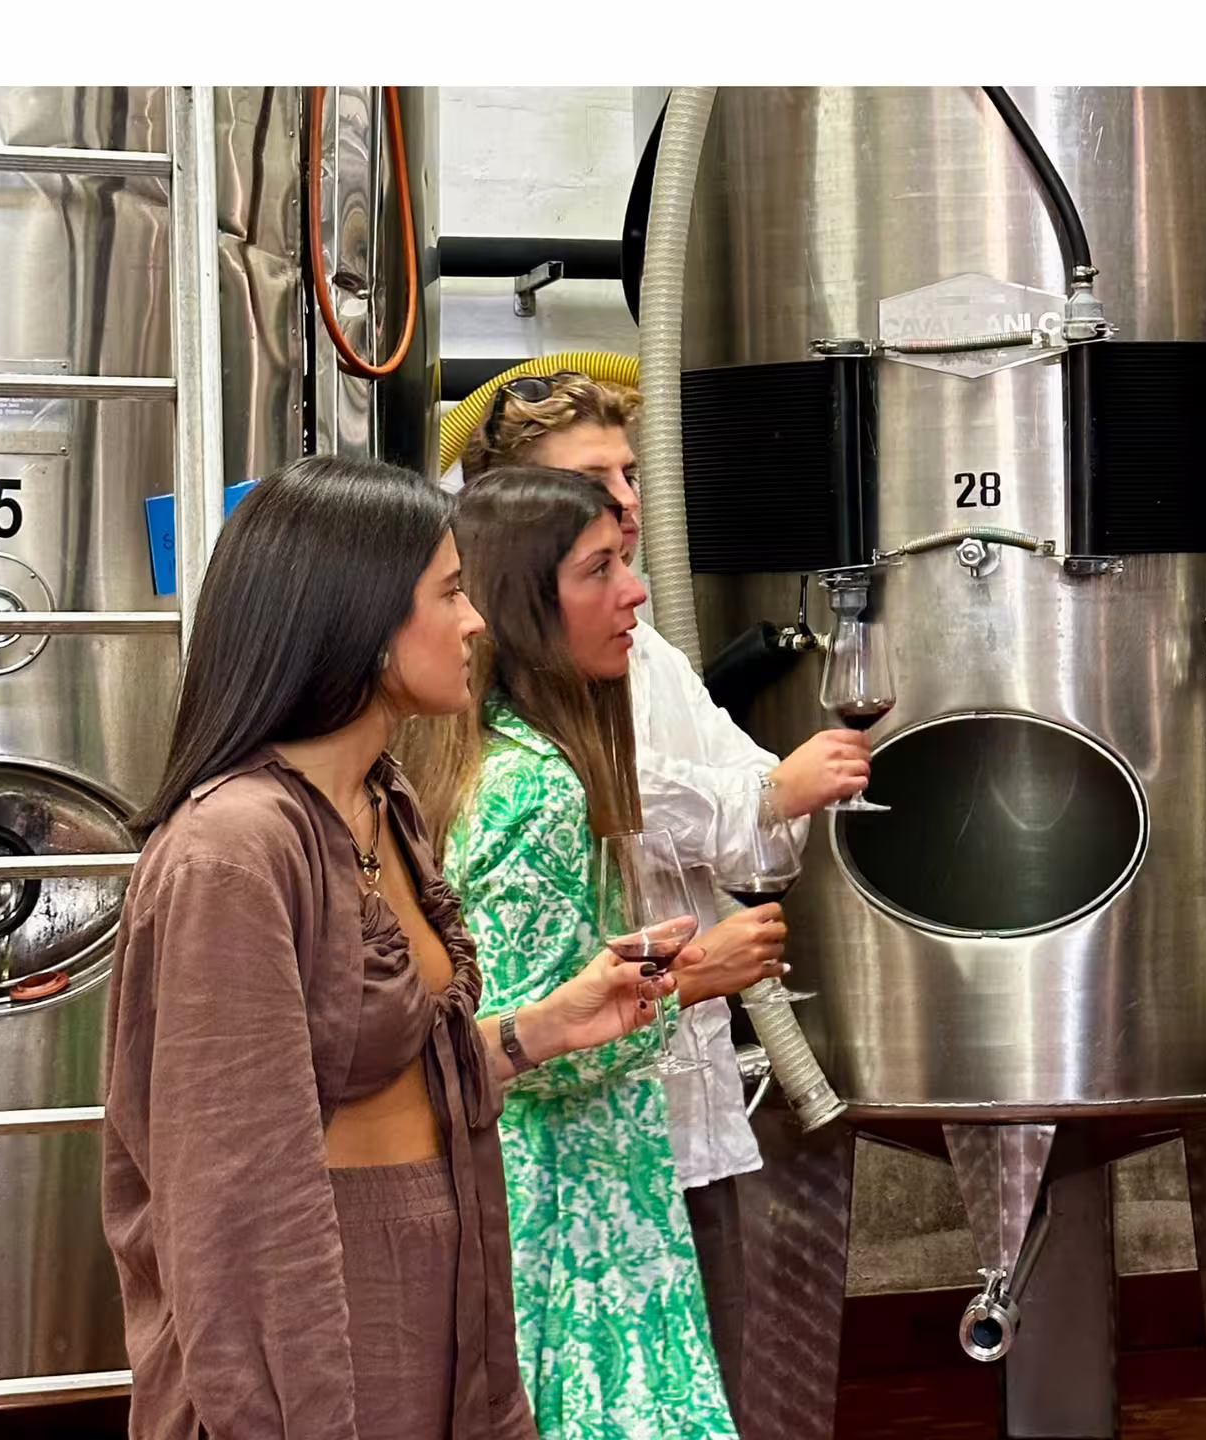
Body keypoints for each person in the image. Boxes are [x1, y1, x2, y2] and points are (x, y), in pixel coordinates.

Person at [103, 455, 676, 1440]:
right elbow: (235, 1205)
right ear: (360, 620)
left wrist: (545, 1028)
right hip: (328, 1329)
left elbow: (385, 1080)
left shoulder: (381, 801)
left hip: (442, 1305)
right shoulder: (235, 850)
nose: (477, 622)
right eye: (451, 593)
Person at [461, 373, 870, 1406]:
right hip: (571, 1166)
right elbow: (526, 1030)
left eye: (629, 476)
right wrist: (700, 967)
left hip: (658, 1116)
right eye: (592, 489)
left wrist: (769, 805)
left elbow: (759, 847)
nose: (628, 506)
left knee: (695, 1373)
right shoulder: (518, 770)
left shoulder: (645, 654)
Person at [408, 465, 737, 1439]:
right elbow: (520, 1045)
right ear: (525, 601)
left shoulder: (478, 759)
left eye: (627, 563)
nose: (634, 592)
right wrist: (678, 987)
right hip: (572, 1230)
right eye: (601, 570)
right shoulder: (539, 791)